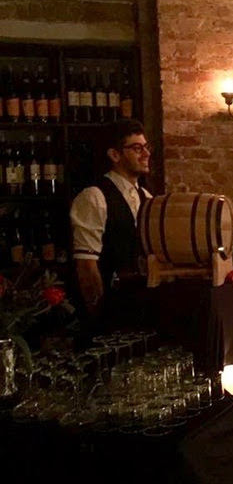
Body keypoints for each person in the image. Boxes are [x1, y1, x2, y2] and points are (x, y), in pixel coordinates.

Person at [70, 119, 154, 335]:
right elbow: (87, 265)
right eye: (137, 148)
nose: (146, 154)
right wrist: (99, 315)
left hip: (141, 306)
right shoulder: (94, 196)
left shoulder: (146, 197)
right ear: (115, 155)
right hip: (111, 309)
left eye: (146, 147)